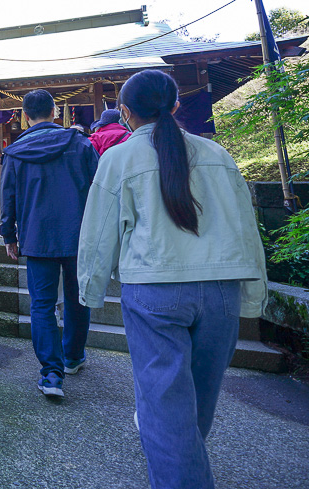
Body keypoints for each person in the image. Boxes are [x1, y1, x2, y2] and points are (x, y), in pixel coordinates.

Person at [77, 69, 267, 489]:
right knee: (198, 402)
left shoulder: (119, 159)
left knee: (165, 408)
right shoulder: (218, 155)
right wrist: (254, 297)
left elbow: (98, 231)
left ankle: (179, 472)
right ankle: (182, 465)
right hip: (221, 290)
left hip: (154, 289)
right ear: (176, 106)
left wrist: (89, 291)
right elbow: (246, 230)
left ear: (125, 113)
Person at [0, 89, 98, 398]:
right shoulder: (81, 144)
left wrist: (9, 236)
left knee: (41, 305)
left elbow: (9, 198)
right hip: (78, 236)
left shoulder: (15, 152)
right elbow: (98, 191)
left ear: (25, 116)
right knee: (76, 298)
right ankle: (73, 357)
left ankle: (51, 375)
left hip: (37, 237)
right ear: (55, 112)